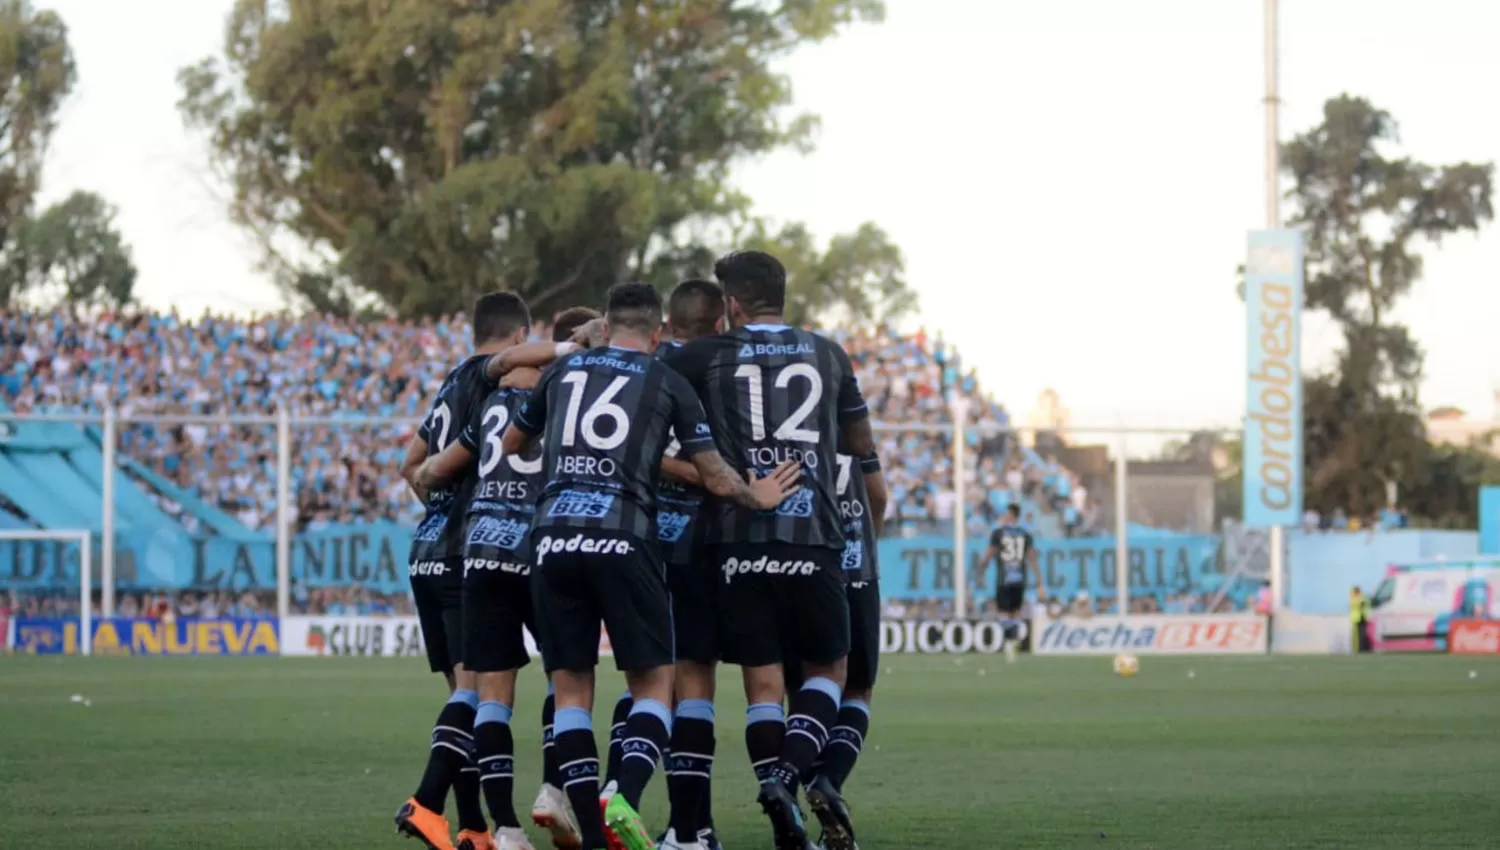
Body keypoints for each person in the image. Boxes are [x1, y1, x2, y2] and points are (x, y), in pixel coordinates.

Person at [500, 282, 802, 850]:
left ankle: (591, 836)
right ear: (658, 332)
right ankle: (622, 792)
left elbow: (516, 443)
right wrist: (756, 495)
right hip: (624, 536)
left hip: (553, 539)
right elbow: (714, 475)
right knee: (655, 689)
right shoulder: (667, 380)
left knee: (570, 696)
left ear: (607, 326)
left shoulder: (566, 373)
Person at [661, 251, 882, 850]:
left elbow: (635, 376)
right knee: (828, 671)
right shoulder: (828, 353)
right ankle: (787, 779)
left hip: (740, 541)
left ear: (731, 305)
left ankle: (777, 804)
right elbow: (861, 449)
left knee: (762, 687)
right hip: (814, 540)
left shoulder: (706, 353)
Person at [414, 309, 606, 850]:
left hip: (479, 554)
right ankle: (552, 789)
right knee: (566, 680)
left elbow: (430, 467)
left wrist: (434, 488)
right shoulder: (567, 405)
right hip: (537, 553)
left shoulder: (493, 403)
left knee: (492, 695)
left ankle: (504, 828)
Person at [396, 292, 533, 850]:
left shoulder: (453, 379)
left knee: (465, 697)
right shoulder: (487, 374)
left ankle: (474, 827)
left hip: (426, 549)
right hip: (461, 553)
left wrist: (437, 498)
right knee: (479, 692)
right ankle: (427, 804)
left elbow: (410, 465)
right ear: (519, 337)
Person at [654, 280, 730, 850]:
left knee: (656, 685)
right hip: (707, 540)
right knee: (696, 684)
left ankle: (682, 826)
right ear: (720, 323)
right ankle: (691, 829)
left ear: (667, 323)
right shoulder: (730, 367)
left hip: (647, 542)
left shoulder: (648, 366)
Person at [782, 444, 888, 850]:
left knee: (806, 693)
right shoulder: (853, 435)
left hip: (800, 570)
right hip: (857, 574)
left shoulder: (787, 432)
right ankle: (829, 781)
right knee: (857, 689)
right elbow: (878, 496)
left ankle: (797, 786)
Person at [981, 503, 1046, 664]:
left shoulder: (998, 533)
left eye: (1006, 514)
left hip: (1004, 579)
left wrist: (981, 572)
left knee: (1003, 612)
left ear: (1010, 514)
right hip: (1020, 579)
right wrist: (1039, 582)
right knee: (1016, 612)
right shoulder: (1025, 534)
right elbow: (1032, 558)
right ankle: (1014, 641)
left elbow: (988, 555)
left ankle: (1009, 643)